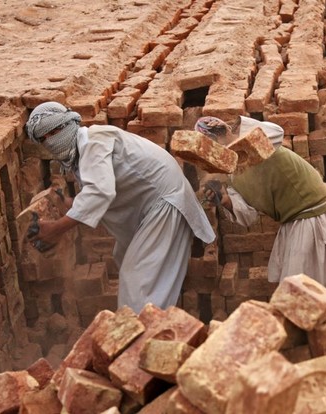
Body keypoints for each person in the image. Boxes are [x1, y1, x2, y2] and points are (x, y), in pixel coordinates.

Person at [25, 102, 216, 314]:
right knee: (126, 260)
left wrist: (56, 229)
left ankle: (138, 338)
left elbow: (100, 192)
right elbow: (103, 188)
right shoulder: (84, 149)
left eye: (53, 133)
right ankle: (153, 329)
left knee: (137, 282)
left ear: (68, 124)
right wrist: (66, 204)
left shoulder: (93, 142)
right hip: (155, 208)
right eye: (43, 140)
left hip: (165, 205)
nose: (50, 142)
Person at [196, 116, 326, 286]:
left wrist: (234, 127)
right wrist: (224, 199)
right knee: (293, 289)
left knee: (298, 290)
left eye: (214, 145)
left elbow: (277, 132)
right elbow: (249, 214)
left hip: (312, 215)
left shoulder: (257, 143)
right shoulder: (231, 173)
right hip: (294, 220)